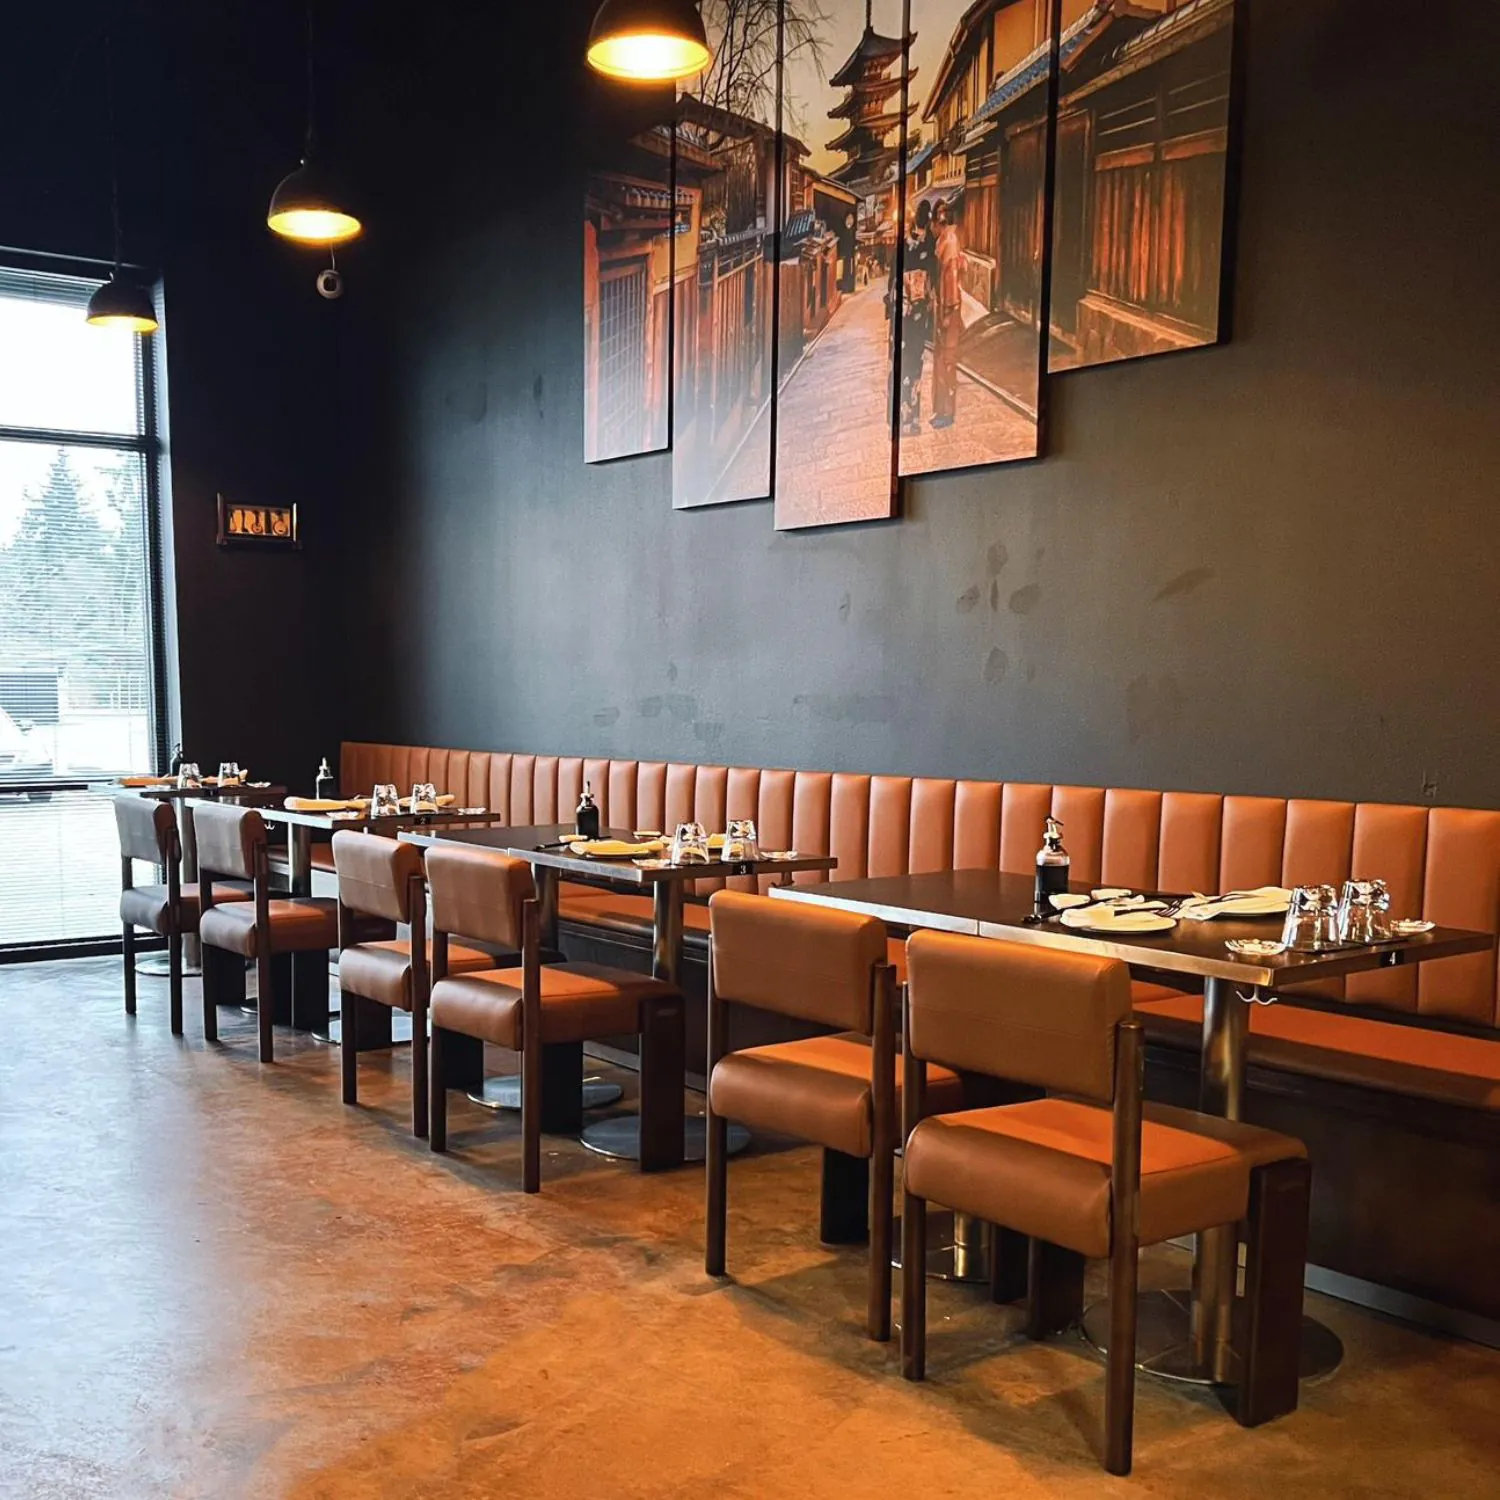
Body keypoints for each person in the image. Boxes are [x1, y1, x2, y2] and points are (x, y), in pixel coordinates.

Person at [897, 201, 935, 436]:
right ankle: (910, 417)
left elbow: (896, 278)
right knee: (913, 363)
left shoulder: (910, 243)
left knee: (908, 363)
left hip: (907, 309)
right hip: (915, 309)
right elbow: (931, 278)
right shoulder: (928, 243)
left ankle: (907, 416)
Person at [930, 199, 962, 430]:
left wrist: (948, 311)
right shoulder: (944, 240)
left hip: (948, 307)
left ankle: (947, 411)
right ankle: (940, 409)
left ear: (937, 222)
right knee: (940, 360)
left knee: (948, 360)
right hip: (942, 305)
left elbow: (951, 278)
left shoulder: (949, 242)